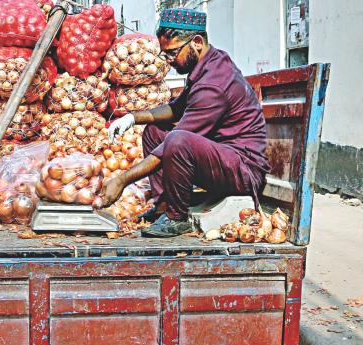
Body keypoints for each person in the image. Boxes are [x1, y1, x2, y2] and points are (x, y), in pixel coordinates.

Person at [102, 8, 270, 238]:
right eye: (165, 55)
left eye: (172, 53)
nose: (170, 62)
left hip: (243, 171)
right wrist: (132, 118)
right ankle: (164, 206)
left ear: (197, 42)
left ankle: (176, 218)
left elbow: (173, 145)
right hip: (222, 160)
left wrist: (122, 180)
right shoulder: (207, 65)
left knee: (177, 140)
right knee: (154, 132)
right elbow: (175, 109)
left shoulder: (213, 84)